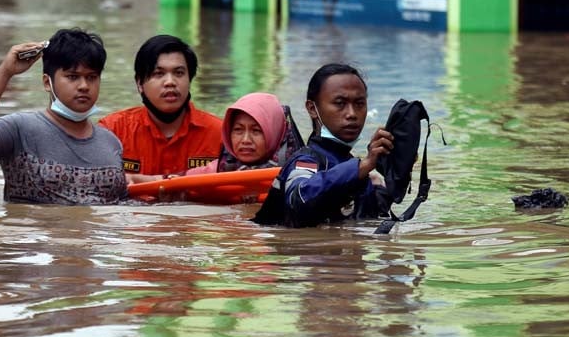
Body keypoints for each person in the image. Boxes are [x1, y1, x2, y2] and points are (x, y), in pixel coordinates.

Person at [0, 28, 127, 205]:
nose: (84, 86)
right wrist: (5, 72)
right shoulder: (20, 129)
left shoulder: (111, 142)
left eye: (92, 77)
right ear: (47, 82)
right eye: (72, 77)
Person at [253, 63, 394, 228]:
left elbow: (373, 217)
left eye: (359, 104)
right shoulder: (306, 160)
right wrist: (362, 167)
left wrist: (397, 171)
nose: (352, 114)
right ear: (312, 109)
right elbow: (298, 199)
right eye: (340, 103)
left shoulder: (356, 169)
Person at [98, 34, 222, 176]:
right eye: (158, 73)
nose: (170, 82)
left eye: (179, 73)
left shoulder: (220, 135)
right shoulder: (112, 131)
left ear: (190, 80)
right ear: (139, 84)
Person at [185, 92, 303, 175]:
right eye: (238, 130)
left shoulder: (302, 173)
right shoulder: (217, 170)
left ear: (276, 134)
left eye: (256, 131)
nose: (245, 140)